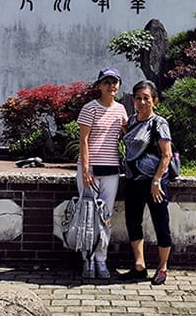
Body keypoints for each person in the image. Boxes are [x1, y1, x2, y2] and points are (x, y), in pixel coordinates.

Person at [76, 66, 128, 279]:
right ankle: (87, 260)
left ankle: (101, 259)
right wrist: (86, 169)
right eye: (107, 82)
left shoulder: (122, 110)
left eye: (114, 82)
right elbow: (84, 140)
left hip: (111, 170)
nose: (111, 86)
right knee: (87, 214)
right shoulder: (90, 108)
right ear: (99, 85)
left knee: (105, 216)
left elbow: (129, 135)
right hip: (90, 169)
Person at [120, 79, 173, 285]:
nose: (142, 102)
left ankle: (162, 267)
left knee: (161, 224)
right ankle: (139, 265)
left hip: (154, 183)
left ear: (155, 101)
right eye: (138, 98)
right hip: (133, 181)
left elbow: (166, 154)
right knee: (133, 222)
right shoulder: (132, 121)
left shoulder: (158, 123)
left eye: (146, 98)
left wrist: (157, 180)